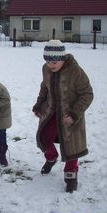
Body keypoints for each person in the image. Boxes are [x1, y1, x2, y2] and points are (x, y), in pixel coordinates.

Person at [32, 40, 93, 193]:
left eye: (54, 61)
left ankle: (71, 175)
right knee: (44, 137)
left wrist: (74, 114)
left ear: (62, 58)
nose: (51, 65)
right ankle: (51, 157)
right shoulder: (46, 69)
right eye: (47, 61)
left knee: (71, 144)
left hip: (70, 115)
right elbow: (44, 87)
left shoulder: (75, 71)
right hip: (51, 112)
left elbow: (87, 94)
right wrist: (39, 104)